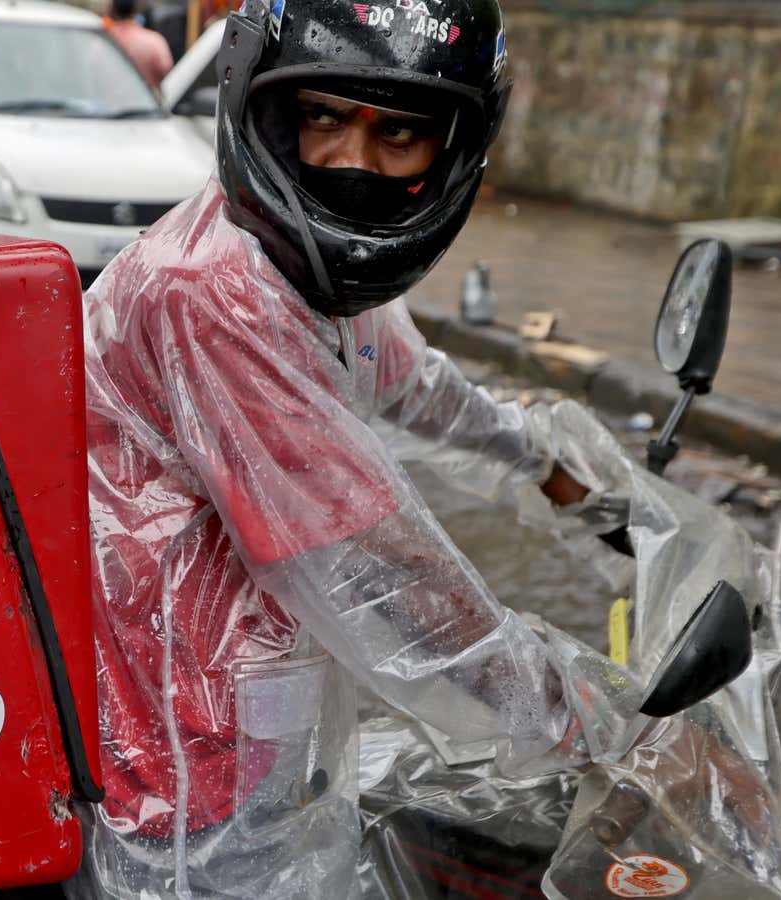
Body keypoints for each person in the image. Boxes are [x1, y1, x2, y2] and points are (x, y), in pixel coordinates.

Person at [73, 0, 604, 895]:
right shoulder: (211, 291)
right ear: (268, 110)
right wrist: (579, 717)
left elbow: (418, 384)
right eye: (322, 117)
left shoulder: (304, 279)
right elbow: (377, 573)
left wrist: (544, 462)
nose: (352, 163)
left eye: (399, 132)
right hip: (183, 784)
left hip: (265, 737)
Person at [103, 0, 174, 89]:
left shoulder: (103, 41)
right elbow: (165, 71)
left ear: (112, 9)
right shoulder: (153, 41)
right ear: (137, 8)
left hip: (111, 100)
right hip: (144, 100)